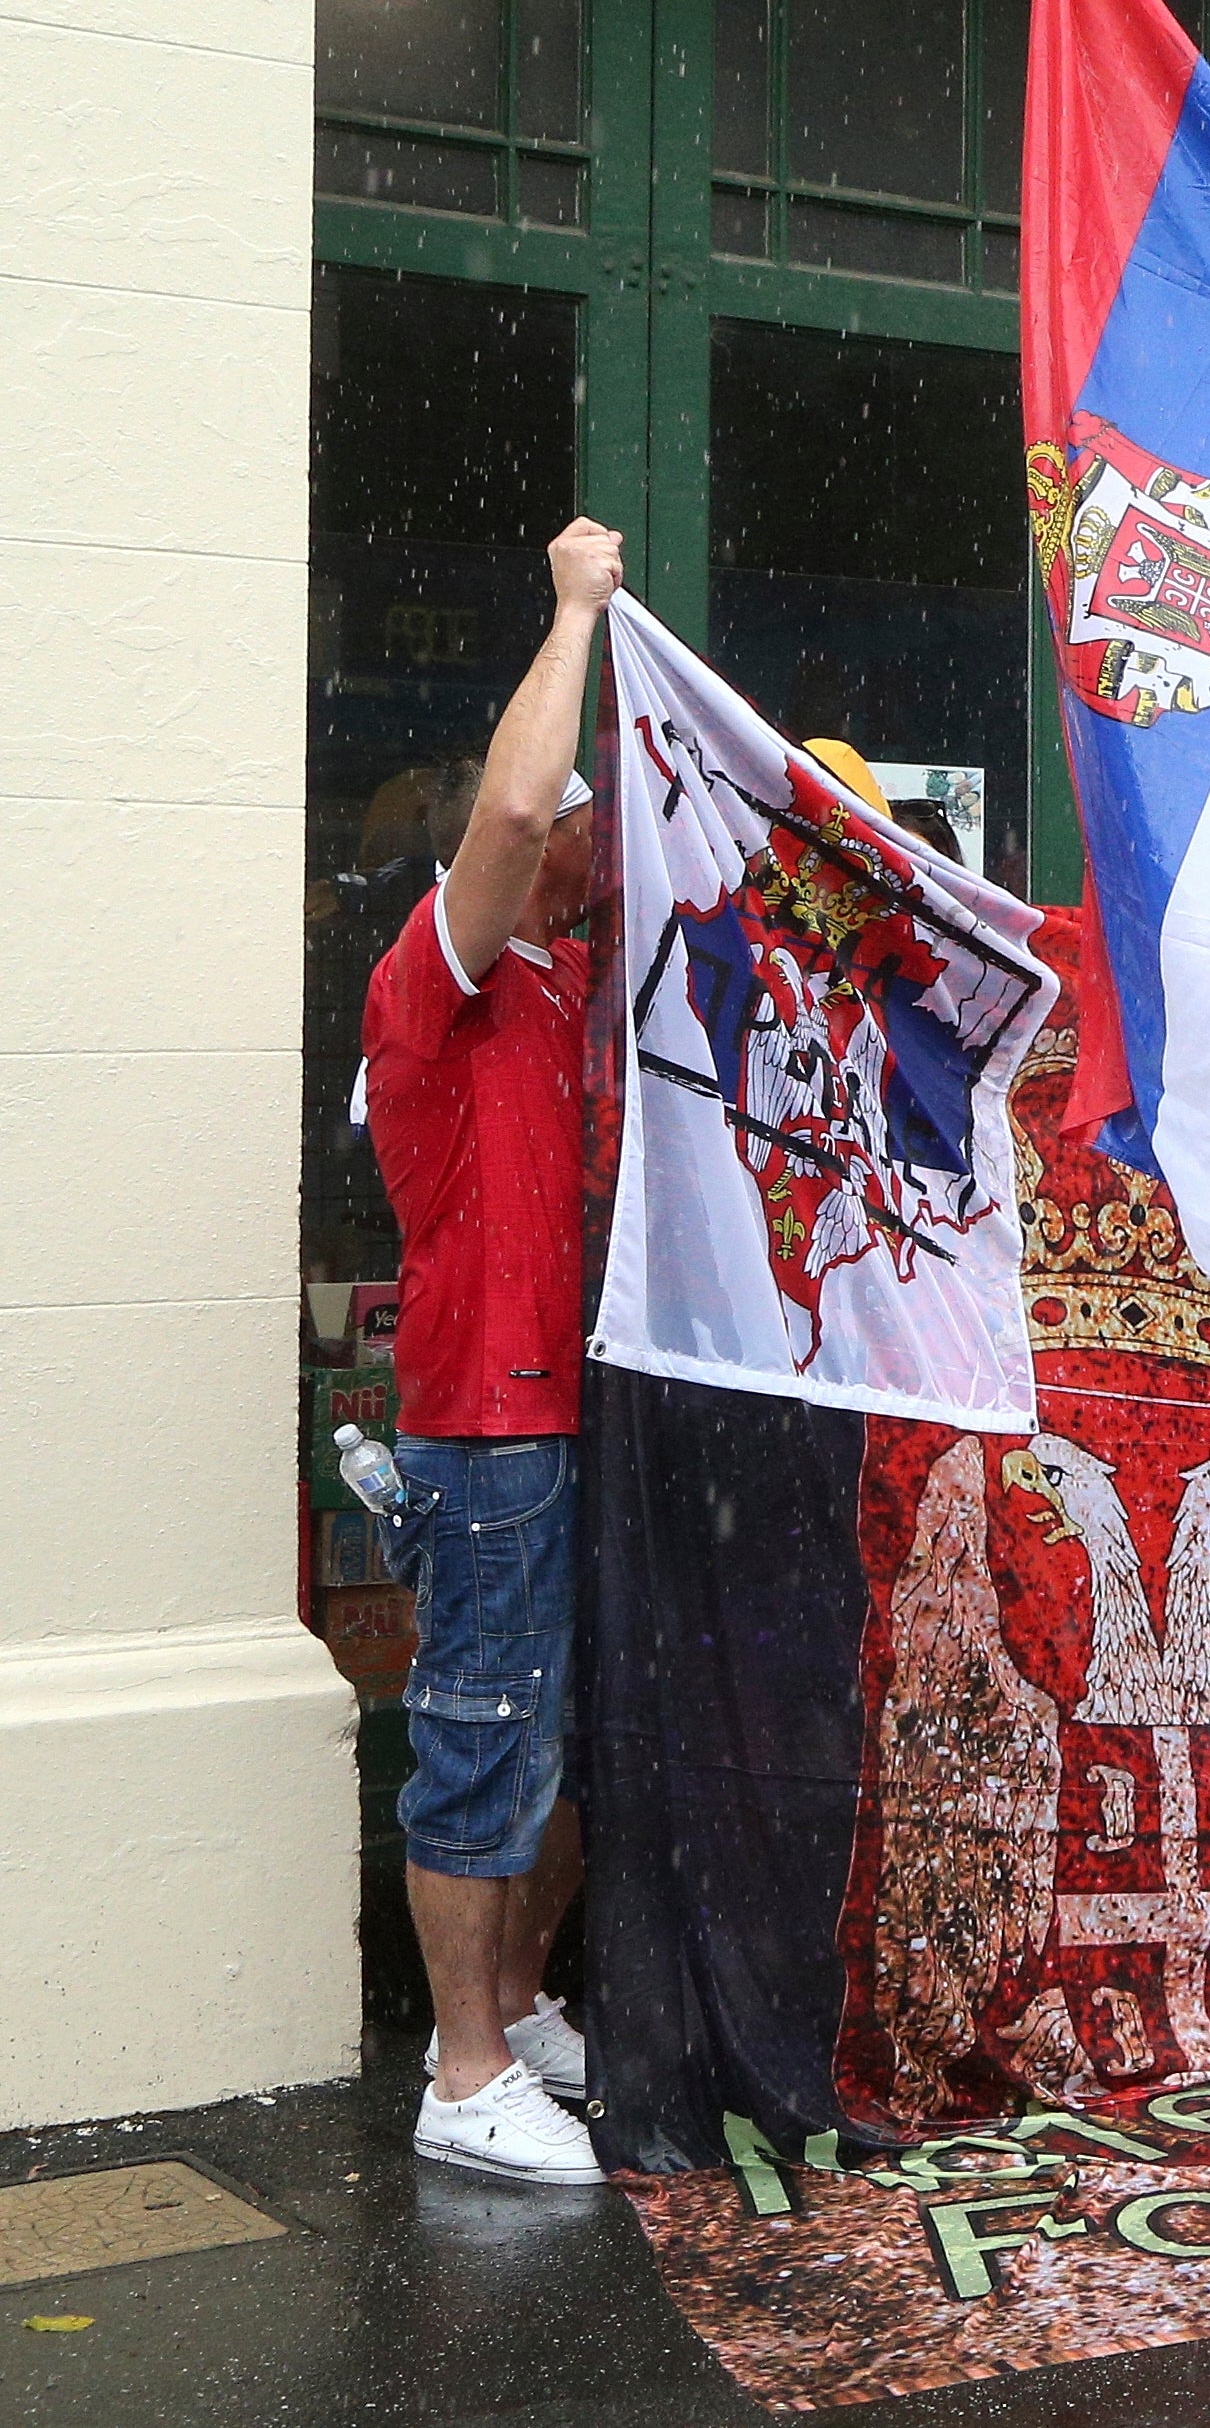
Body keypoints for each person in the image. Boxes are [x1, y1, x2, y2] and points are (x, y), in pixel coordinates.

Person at [361, 517, 621, 2187]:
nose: (588, 837)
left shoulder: (568, 983)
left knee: (553, 1739)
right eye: (578, 821)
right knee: (478, 1742)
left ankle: (516, 2008)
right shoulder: (435, 980)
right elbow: (517, 803)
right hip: (483, 1428)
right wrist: (575, 607)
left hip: (568, 1422)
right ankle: (459, 2075)